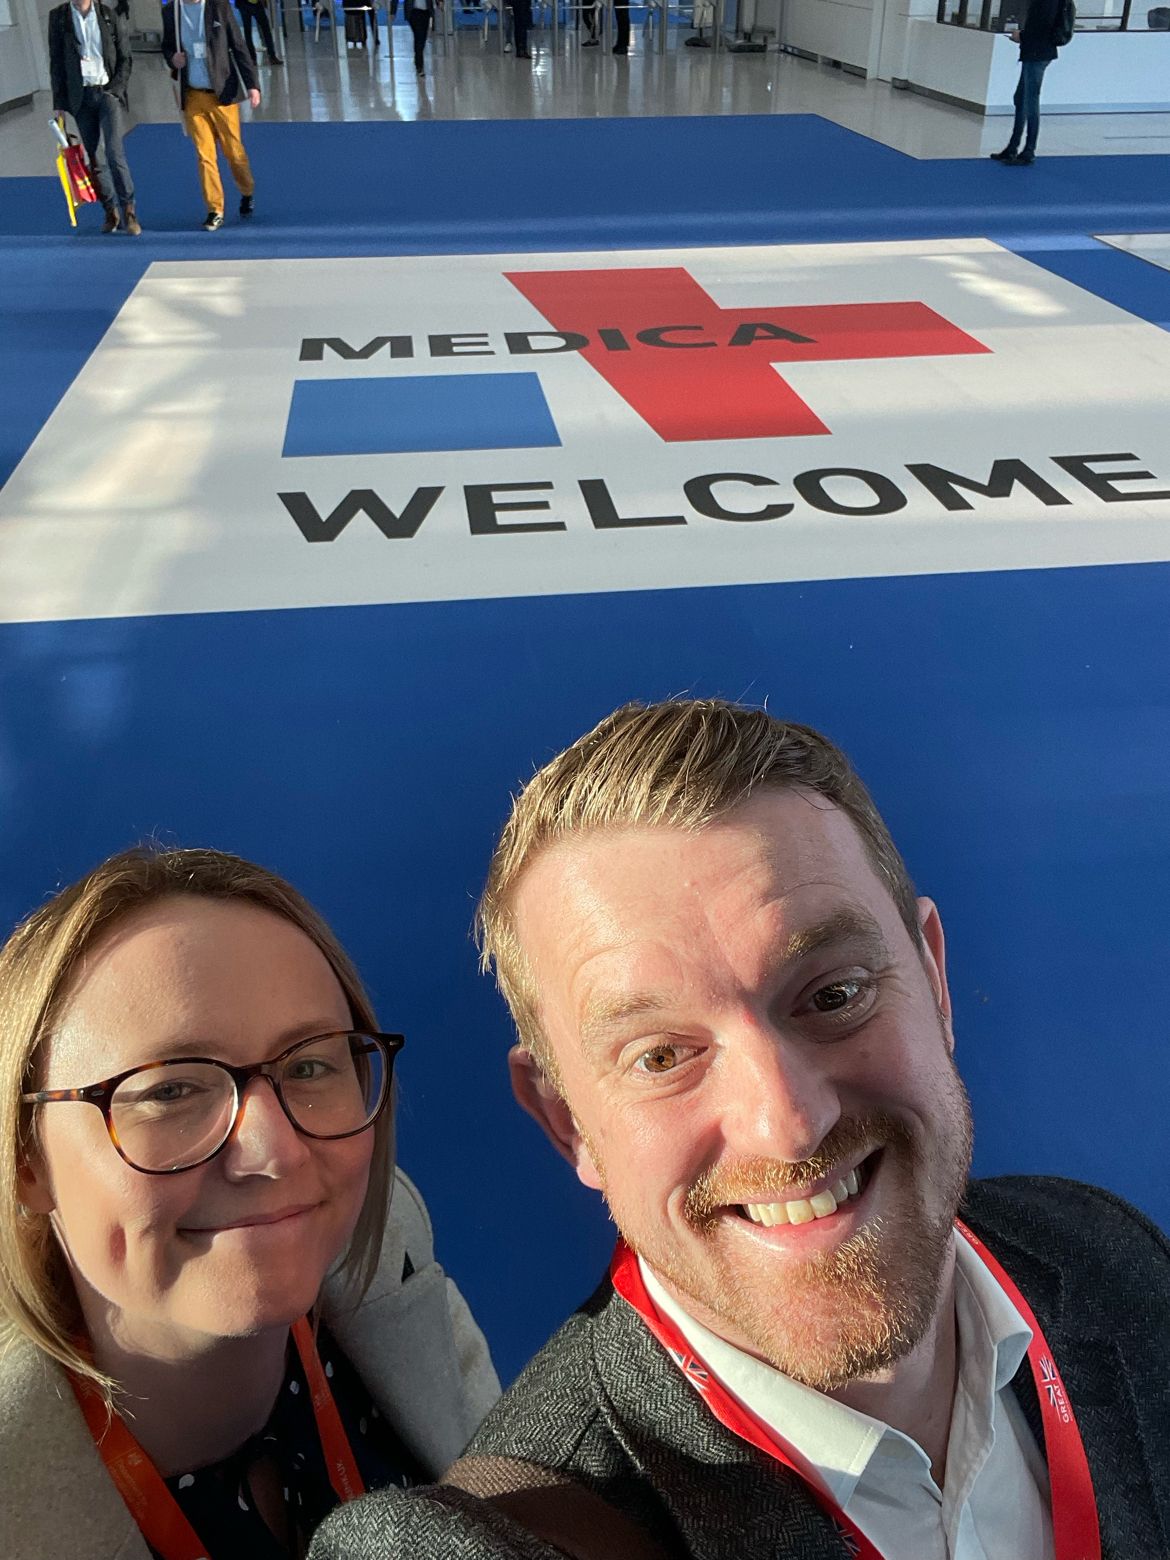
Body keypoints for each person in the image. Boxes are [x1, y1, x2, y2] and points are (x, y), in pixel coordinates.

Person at [312, 698, 1170, 1560]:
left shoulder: (1109, 1254)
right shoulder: (487, 1546)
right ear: (569, 1122)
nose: (788, 1124)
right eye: (660, 1057)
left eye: (834, 996)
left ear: (934, 980)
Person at [0, 844, 499, 1560]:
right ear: (26, 1163)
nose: (275, 1151)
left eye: (308, 1065)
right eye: (171, 1090)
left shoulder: (394, 1257)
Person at [162, 0, 261, 230]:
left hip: (222, 94)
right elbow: (167, 45)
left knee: (233, 151)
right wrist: (172, 59)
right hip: (193, 95)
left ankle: (247, 190)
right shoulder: (171, 12)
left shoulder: (219, 7)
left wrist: (252, 85)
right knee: (204, 155)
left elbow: (238, 45)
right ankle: (215, 209)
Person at [48, 0, 140, 235]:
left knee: (113, 152)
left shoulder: (108, 16)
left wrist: (116, 90)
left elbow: (125, 57)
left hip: (107, 92)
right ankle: (110, 210)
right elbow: (57, 62)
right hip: (81, 97)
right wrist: (59, 103)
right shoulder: (59, 18)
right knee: (95, 156)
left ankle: (129, 210)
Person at [990, 0, 1065, 166]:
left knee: (1030, 100)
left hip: (1037, 52)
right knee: (1021, 98)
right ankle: (1013, 147)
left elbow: (1042, 26)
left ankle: (1028, 149)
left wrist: (1021, 36)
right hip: (1035, 51)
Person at [235, 0, 284, 65]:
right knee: (265, 30)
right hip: (255, 4)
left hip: (243, 4)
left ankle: (252, 58)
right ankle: (272, 56)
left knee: (248, 31)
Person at [405, 0, 440, 74]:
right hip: (413, 12)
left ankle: (417, 56)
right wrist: (393, 10)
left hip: (426, 13)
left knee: (422, 38)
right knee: (419, 37)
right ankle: (419, 65)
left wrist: (439, 2)